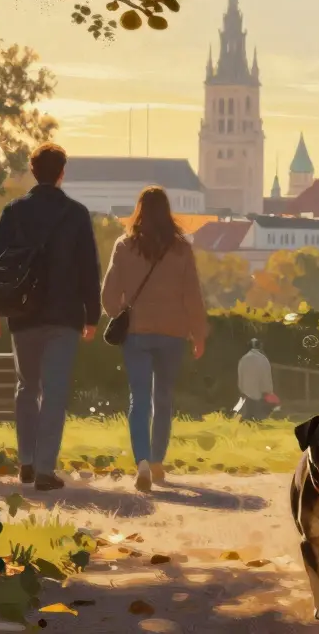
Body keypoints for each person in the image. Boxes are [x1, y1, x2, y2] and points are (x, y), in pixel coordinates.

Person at [0, 143, 101, 492]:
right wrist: (91, 315)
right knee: (55, 391)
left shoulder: (14, 212)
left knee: (26, 388)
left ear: (33, 171)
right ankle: (46, 468)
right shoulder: (76, 214)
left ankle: (27, 462)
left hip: (22, 313)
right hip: (64, 315)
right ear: (62, 172)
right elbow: (88, 269)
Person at [101, 186, 208, 493]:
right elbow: (193, 296)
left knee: (139, 398)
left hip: (136, 333)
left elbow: (108, 294)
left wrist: (120, 314)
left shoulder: (124, 245)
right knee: (163, 398)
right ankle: (159, 460)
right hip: (173, 334)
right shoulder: (181, 249)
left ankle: (143, 463)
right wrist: (197, 333)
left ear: (139, 211)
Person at [236, 339, 277, 422]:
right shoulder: (263, 359)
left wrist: (241, 390)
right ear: (259, 346)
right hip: (259, 396)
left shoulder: (243, 359)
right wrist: (268, 392)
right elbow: (266, 377)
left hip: (245, 396)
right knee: (258, 421)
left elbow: (240, 377)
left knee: (245, 419)